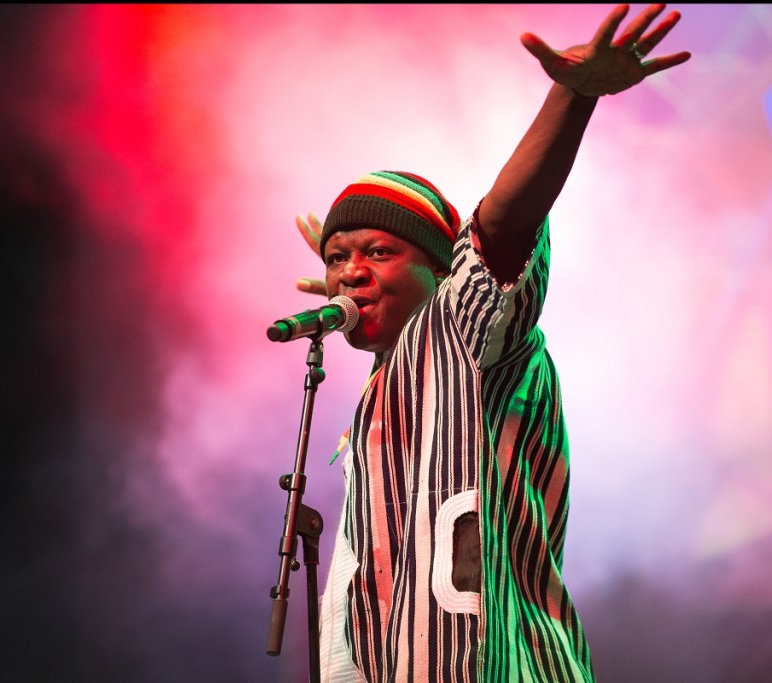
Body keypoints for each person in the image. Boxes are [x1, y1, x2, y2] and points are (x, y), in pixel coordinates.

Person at [289, 4, 691, 681]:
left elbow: (500, 228)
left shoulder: (464, 329)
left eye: (378, 250)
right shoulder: (391, 383)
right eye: (335, 258)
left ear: (443, 269)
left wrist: (572, 95)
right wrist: (367, 272)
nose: (348, 272)